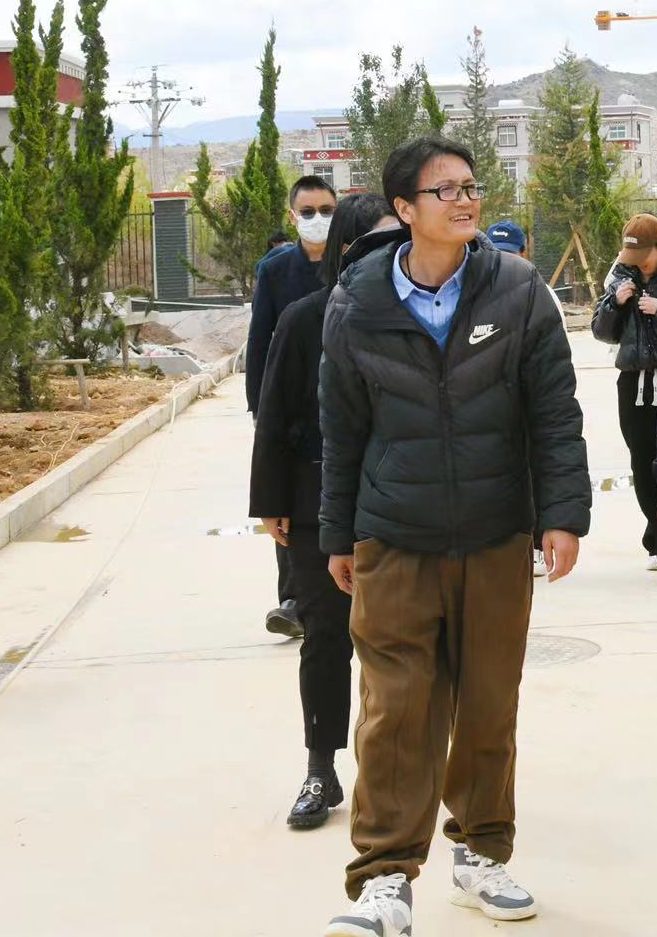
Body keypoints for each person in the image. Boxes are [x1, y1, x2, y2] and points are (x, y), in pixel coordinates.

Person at [317, 136, 591, 936]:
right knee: (395, 711)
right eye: (446, 190)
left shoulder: (518, 290)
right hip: (394, 535)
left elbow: (555, 413)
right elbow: (342, 430)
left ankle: (480, 853)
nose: (466, 200)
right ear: (405, 209)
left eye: (471, 186)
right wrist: (339, 533)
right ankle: (383, 879)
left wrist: (562, 514)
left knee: (488, 704)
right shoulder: (357, 303)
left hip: (496, 532)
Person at [249, 193, 399, 832]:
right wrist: (272, 501)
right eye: (376, 242)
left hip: (402, 503)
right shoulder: (306, 317)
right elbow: (276, 412)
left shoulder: (419, 316)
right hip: (317, 504)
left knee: (404, 643)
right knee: (326, 639)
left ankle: (400, 765)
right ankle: (321, 767)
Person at [247, 174, 340, 641]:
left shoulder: (351, 265)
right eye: (308, 212)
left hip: (342, 399)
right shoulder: (276, 271)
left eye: (326, 210)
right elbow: (260, 341)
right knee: (285, 500)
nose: (317, 219)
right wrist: (261, 409)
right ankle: (293, 599)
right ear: (292, 216)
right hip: (293, 404)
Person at [592, 212, 657, 587]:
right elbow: (602, 332)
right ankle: (656, 535)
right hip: (633, 382)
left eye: (644, 255)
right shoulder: (621, 277)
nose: (638, 263)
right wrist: (614, 304)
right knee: (642, 464)